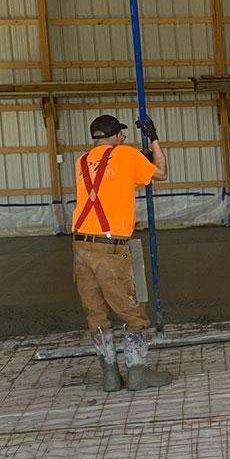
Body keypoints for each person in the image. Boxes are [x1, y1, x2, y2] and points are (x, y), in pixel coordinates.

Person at [72, 113, 172, 393]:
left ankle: (110, 377)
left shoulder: (81, 163)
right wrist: (154, 141)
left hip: (80, 246)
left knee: (96, 313)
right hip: (109, 249)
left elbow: (108, 180)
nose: (125, 140)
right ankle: (138, 374)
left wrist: (135, 160)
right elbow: (161, 173)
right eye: (123, 136)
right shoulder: (127, 155)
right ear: (116, 136)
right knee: (133, 313)